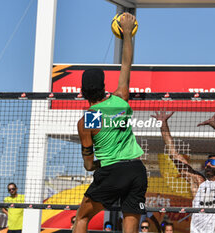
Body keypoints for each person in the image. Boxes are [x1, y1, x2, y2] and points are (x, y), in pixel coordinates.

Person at [73, 12, 147, 233]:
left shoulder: (88, 119)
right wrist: (126, 32)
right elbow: (126, 63)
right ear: (104, 86)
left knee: (82, 218)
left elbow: (88, 165)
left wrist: (97, 165)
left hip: (112, 171)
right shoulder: (120, 98)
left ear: (83, 92)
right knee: (130, 223)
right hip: (136, 169)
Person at [151, 112, 215, 233]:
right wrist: (163, 125)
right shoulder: (198, 182)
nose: (208, 164)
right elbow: (173, 154)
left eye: (213, 162)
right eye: (207, 161)